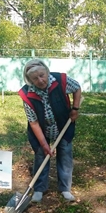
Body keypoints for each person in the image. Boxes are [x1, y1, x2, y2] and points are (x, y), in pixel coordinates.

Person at [19, 59, 82, 203]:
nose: (40, 80)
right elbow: (33, 122)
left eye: (42, 75)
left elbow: (77, 88)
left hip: (63, 124)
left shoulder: (60, 80)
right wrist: (44, 144)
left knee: (65, 154)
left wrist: (75, 109)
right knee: (41, 155)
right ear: (29, 80)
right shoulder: (26, 94)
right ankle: (39, 189)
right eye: (35, 78)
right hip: (41, 127)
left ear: (47, 72)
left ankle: (65, 188)